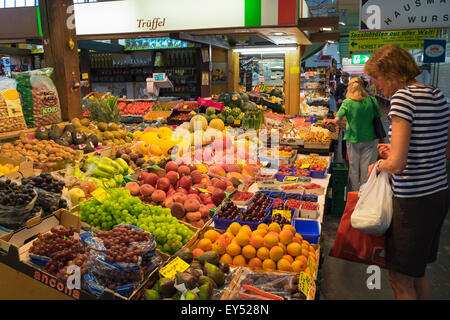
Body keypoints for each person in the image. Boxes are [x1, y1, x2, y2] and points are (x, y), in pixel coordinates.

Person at [365, 44, 449, 300]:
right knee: (417, 273)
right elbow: (443, 150)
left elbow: (398, 165)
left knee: (399, 279)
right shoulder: (436, 94)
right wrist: (397, 150)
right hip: (437, 195)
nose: (376, 86)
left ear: (391, 73)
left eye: (376, 78)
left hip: (412, 203)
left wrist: (379, 164)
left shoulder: (402, 98)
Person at [332, 77, 381, 192]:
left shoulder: (347, 102)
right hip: (369, 138)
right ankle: (364, 192)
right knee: (365, 167)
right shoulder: (372, 100)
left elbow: (336, 120)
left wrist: (344, 128)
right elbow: (378, 116)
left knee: (353, 167)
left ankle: (355, 192)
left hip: (353, 138)